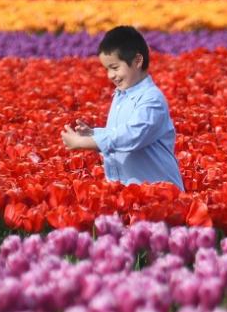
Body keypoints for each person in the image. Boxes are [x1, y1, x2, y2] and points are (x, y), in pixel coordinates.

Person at [61, 26, 185, 191]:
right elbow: (117, 132)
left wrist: (86, 142)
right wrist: (94, 133)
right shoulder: (121, 96)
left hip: (160, 195)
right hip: (129, 194)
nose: (110, 75)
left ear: (137, 61)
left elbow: (132, 136)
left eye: (115, 67)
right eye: (107, 69)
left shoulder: (151, 99)